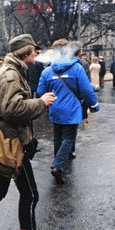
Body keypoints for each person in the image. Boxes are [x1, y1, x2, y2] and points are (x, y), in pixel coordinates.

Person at [0, 34, 65, 230]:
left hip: (7, 140)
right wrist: (41, 102)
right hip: (13, 143)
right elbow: (13, 109)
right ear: (25, 52)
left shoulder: (11, 70)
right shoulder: (12, 75)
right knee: (30, 194)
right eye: (34, 50)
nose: (36, 54)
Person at [37, 39, 99, 184]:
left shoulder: (47, 70)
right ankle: (58, 166)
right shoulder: (76, 68)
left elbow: (40, 91)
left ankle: (58, 160)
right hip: (72, 109)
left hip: (55, 108)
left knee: (58, 136)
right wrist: (94, 105)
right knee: (69, 138)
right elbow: (86, 90)